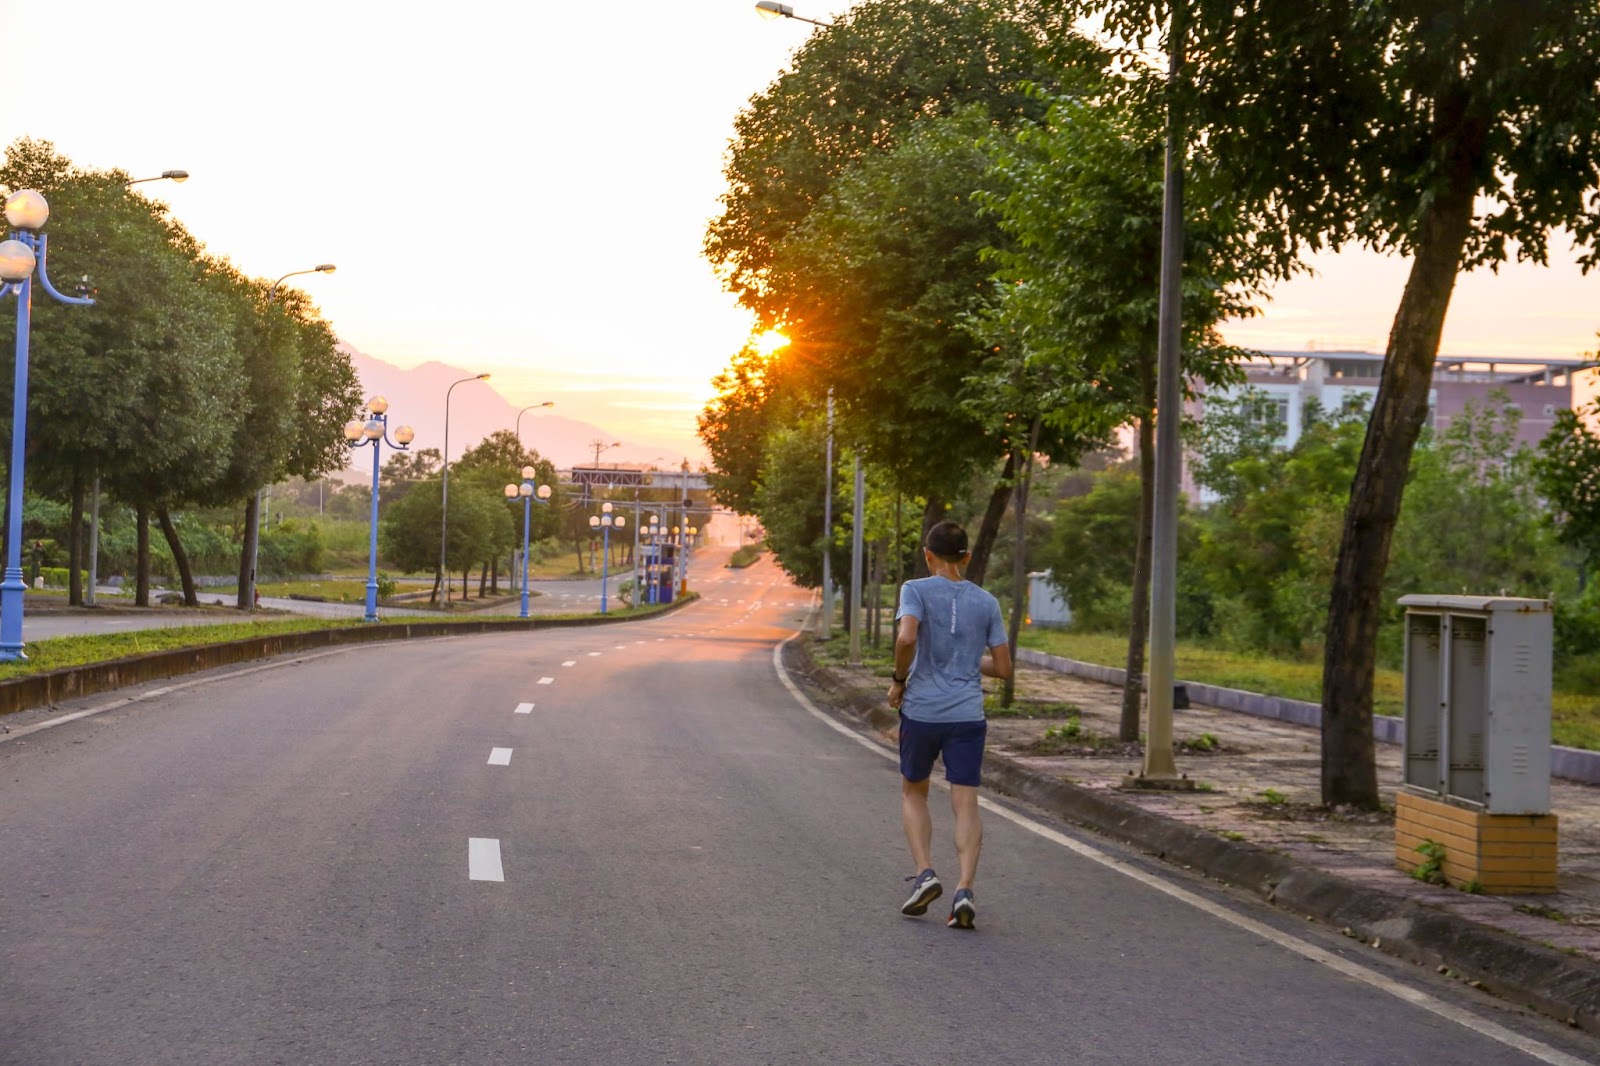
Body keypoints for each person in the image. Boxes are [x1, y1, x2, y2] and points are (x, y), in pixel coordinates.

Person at [888, 520, 1012, 930]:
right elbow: (1004, 668)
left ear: (928, 555)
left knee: (914, 791)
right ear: (967, 557)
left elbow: (907, 639)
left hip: (922, 711)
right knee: (965, 801)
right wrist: (964, 661)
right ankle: (964, 889)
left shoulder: (915, 589)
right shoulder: (987, 602)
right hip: (967, 715)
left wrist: (899, 680)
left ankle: (925, 874)